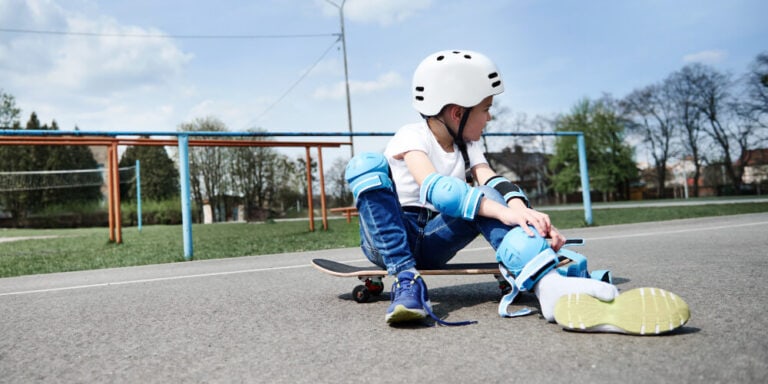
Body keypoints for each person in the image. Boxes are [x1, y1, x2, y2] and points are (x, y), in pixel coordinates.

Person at [344, 50, 690, 334]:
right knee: (366, 166)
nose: (490, 117)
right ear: (456, 112)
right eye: (486, 109)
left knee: (490, 198)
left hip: (433, 240)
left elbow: (493, 182)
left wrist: (529, 217)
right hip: (390, 236)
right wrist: (503, 211)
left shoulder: (468, 146)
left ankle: (547, 282)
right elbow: (436, 189)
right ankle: (406, 281)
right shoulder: (411, 136)